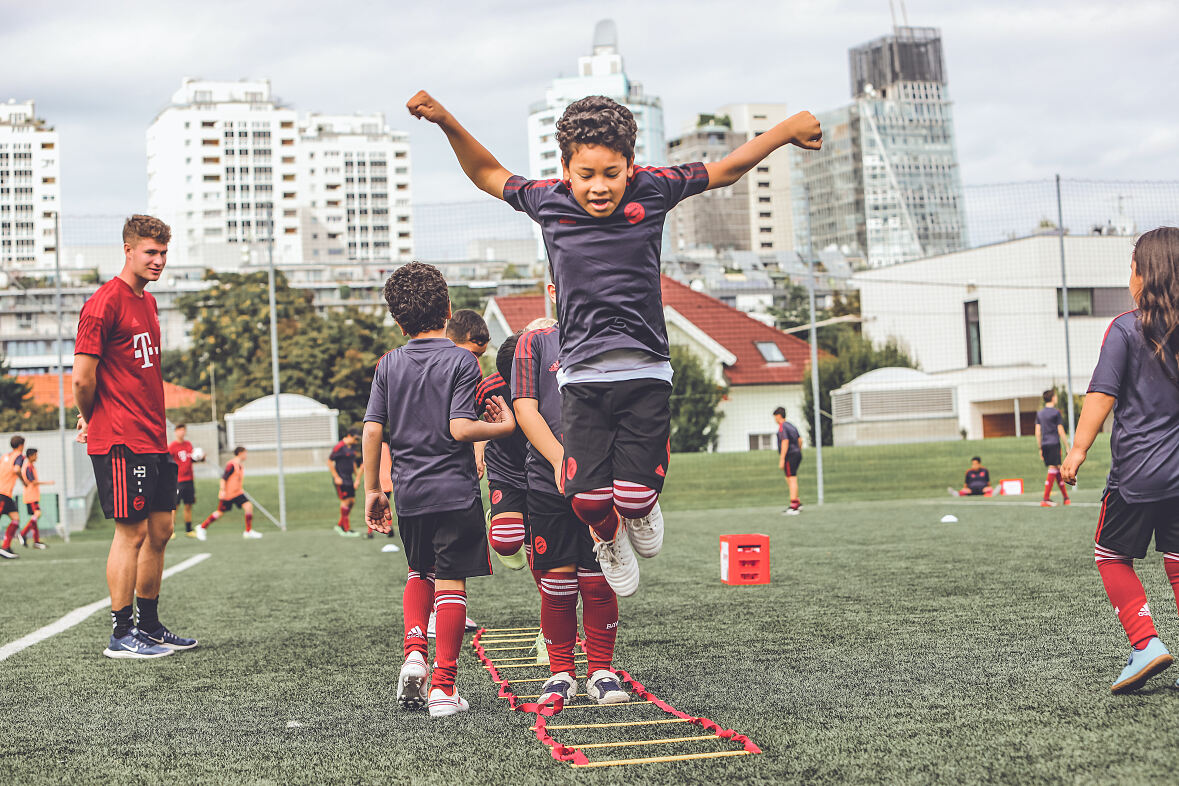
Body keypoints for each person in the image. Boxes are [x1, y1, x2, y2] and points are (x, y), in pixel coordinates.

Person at [407, 90, 821, 580]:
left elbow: (725, 169)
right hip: (580, 377)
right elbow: (487, 174)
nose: (599, 187)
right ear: (566, 169)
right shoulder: (549, 201)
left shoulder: (654, 188)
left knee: (633, 495)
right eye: (586, 175)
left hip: (645, 367)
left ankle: (641, 509)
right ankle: (608, 538)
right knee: (585, 500)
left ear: (629, 165)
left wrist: (785, 130)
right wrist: (447, 120)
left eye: (611, 173)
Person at [362, 261, 515, 718]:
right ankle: (444, 688)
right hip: (454, 490)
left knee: (418, 572)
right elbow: (460, 427)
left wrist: (375, 489)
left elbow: (372, 431)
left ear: (396, 319)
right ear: (448, 310)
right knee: (450, 583)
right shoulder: (462, 360)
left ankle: (414, 654)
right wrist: (504, 426)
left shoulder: (388, 364)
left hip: (409, 492)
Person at [1061, 227, 1179, 694]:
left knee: (1111, 555)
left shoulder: (1126, 328)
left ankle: (1146, 643)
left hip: (1136, 477)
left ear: (1144, 274)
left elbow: (1100, 396)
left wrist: (1077, 450)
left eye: (1130, 266)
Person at [73, 214, 196, 657]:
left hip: (153, 436)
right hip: (121, 438)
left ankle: (150, 625)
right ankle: (121, 634)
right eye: (151, 252)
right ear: (128, 250)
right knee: (132, 533)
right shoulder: (104, 303)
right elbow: (83, 380)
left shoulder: (149, 302)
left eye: (164, 252)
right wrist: (91, 417)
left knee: (161, 531)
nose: (159, 260)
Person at [513, 300, 631, 707]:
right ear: (554, 286)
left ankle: (601, 671)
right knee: (557, 586)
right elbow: (526, 409)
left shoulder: (610, 336)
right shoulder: (534, 342)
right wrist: (563, 461)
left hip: (601, 482)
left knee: (598, 581)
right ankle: (561, 674)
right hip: (549, 484)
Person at [476, 332, 530, 570]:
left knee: (544, 539)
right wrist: (478, 447)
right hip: (506, 469)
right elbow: (466, 418)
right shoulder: (490, 386)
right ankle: (496, 520)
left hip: (545, 467)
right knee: (506, 541)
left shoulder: (554, 381)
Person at [195, 447, 260, 540]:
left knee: (248, 506)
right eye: (245, 453)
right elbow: (223, 478)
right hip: (228, 494)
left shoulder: (240, 465)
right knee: (219, 513)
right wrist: (222, 490)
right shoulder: (231, 465)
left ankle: (248, 531)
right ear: (240, 453)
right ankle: (201, 527)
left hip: (238, 493)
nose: (246, 455)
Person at [1036, 389, 1071, 507]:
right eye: (1055, 396)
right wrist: (1067, 446)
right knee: (1054, 467)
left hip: (1045, 444)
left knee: (1056, 468)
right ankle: (1045, 498)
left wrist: (1040, 447)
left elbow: (1037, 432)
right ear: (1052, 398)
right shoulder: (1056, 412)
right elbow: (1060, 430)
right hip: (1054, 443)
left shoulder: (1039, 414)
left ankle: (1066, 498)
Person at [168, 424, 204, 536]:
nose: (182, 432)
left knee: (188, 505)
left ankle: (188, 530)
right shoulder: (172, 446)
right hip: (178, 480)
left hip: (189, 480)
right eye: (180, 430)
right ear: (175, 432)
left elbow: (192, 459)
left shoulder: (188, 444)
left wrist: (200, 458)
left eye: (184, 430)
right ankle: (170, 530)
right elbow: (168, 462)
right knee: (175, 506)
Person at [328, 428, 363, 538]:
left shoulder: (352, 448)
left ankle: (340, 525)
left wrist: (356, 477)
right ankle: (346, 528)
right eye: (355, 439)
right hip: (341, 479)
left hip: (349, 479)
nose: (356, 441)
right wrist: (336, 477)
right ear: (349, 436)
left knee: (351, 501)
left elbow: (352, 462)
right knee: (345, 502)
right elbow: (329, 461)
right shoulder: (339, 447)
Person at [17, 448, 52, 549]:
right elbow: (33, 482)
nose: (37, 457)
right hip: (30, 496)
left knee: (35, 518)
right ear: (31, 455)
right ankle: (22, 533)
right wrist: (48, 483)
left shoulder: (31, 466)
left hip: (33, 496)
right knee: (37, 514)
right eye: (35, 455)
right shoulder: (28, 467)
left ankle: (36, 541)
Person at [0, 435, 26, 560]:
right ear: (21, 445)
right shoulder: (19, 456)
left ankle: (5, 547)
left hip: (6, 495)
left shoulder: (5, 456)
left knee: (15, 519)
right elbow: (16, 470)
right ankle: (4, 547)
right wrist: (23, 481)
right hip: (2, 494)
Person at [773, 407, 803, 514]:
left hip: (790, 455)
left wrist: (782, 459)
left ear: (778, 416)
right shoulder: (792, 426)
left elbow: (785, 441)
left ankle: (794, 505)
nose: (774, 419)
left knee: (792, 479)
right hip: (797, 454)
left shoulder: (782, 427)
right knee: (789, 478)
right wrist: (798, 451)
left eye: (775, 417)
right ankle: (797, 502)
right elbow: (800, 440)